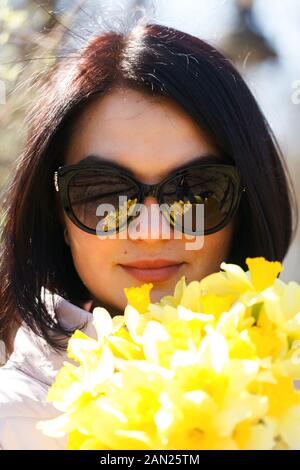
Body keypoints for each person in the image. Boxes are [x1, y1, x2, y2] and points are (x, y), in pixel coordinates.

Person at [0, 21, 297, 450]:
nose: (151, 231)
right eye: (103, 191)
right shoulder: (13, 425)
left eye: (196, 191)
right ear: (56, 216)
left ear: (244, 207)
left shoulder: (288, 392)